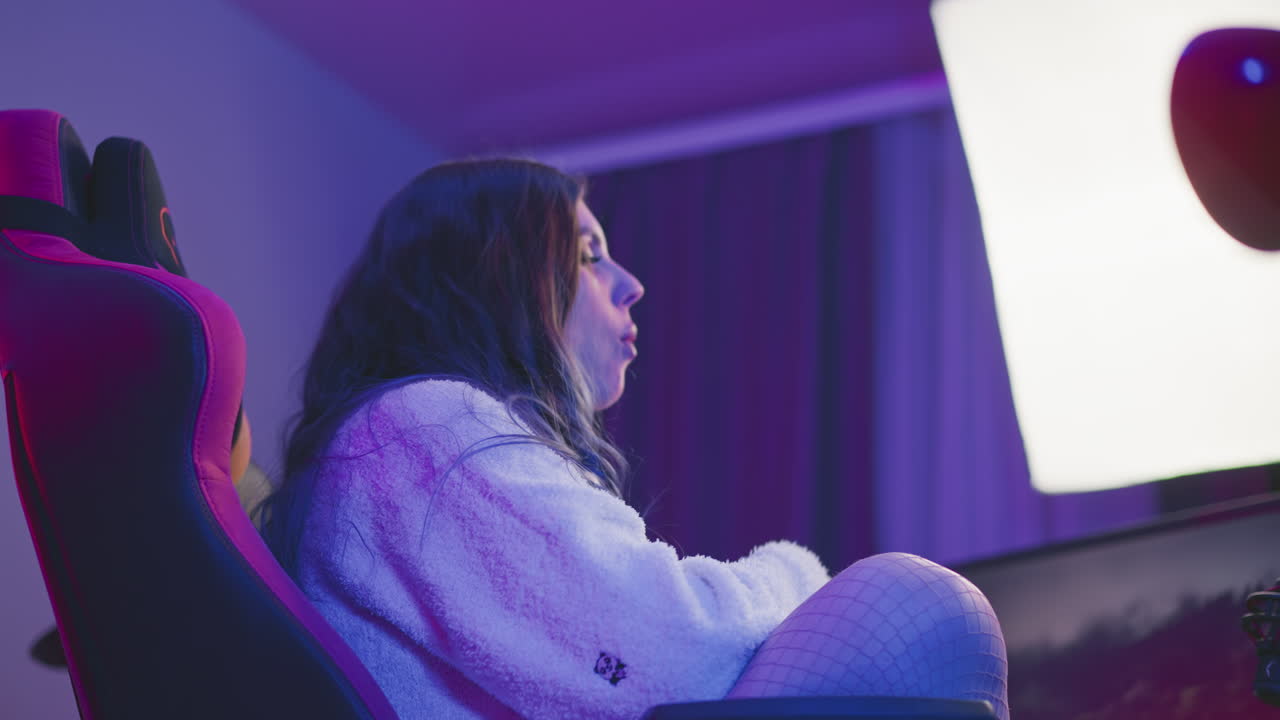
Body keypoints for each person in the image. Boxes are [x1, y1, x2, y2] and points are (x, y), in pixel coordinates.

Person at [257, 158, 1009, 720]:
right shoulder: (419, 432)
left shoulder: (408, 444)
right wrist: (802, 575)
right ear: (491, 280)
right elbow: (683, 654)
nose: (630, 282)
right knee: (921, 605)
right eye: (587, 255)